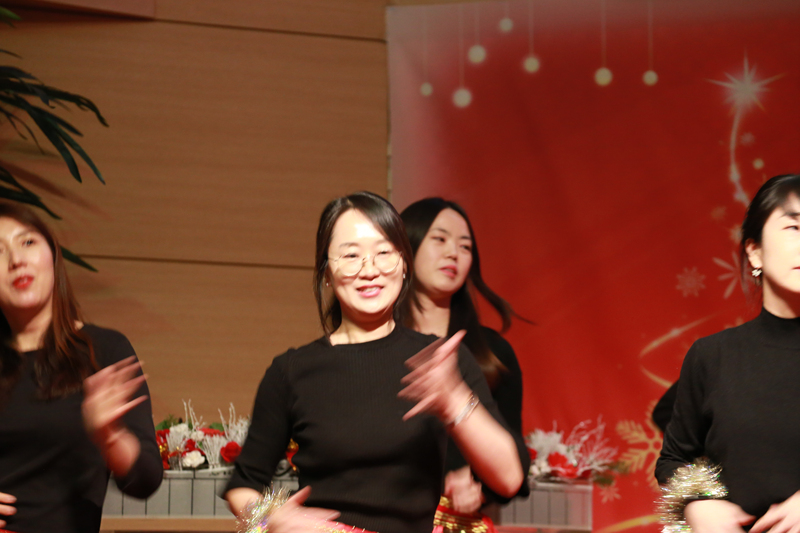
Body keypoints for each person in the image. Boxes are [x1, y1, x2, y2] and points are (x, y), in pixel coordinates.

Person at [225, 191, 529, 533]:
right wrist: (272, 519)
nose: (369, 270)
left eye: (384, 253)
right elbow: (243, 485)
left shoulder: (442, 359)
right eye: (351, 256)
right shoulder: (291, 370)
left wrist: (455, 399)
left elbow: (509, 479)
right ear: (326, 272)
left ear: (403, 264)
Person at [0, 202, 162, 532]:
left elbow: (145, 480)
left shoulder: (103, 349)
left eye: (27, 242)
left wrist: (110, 436)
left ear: (53, 255)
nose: (16, 260)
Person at [655, 173, 800, 533]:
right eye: (794, 228)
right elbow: (674, 458)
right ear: (754, 251)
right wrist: (698, 503)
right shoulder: (713, 355)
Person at [399, 198, 528, 519]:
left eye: (465, 246)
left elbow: (517, 462)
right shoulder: (375, 345)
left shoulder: (492, 354)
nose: (453, 253)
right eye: (440, 239)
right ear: (405, 247)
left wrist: (478, 484)